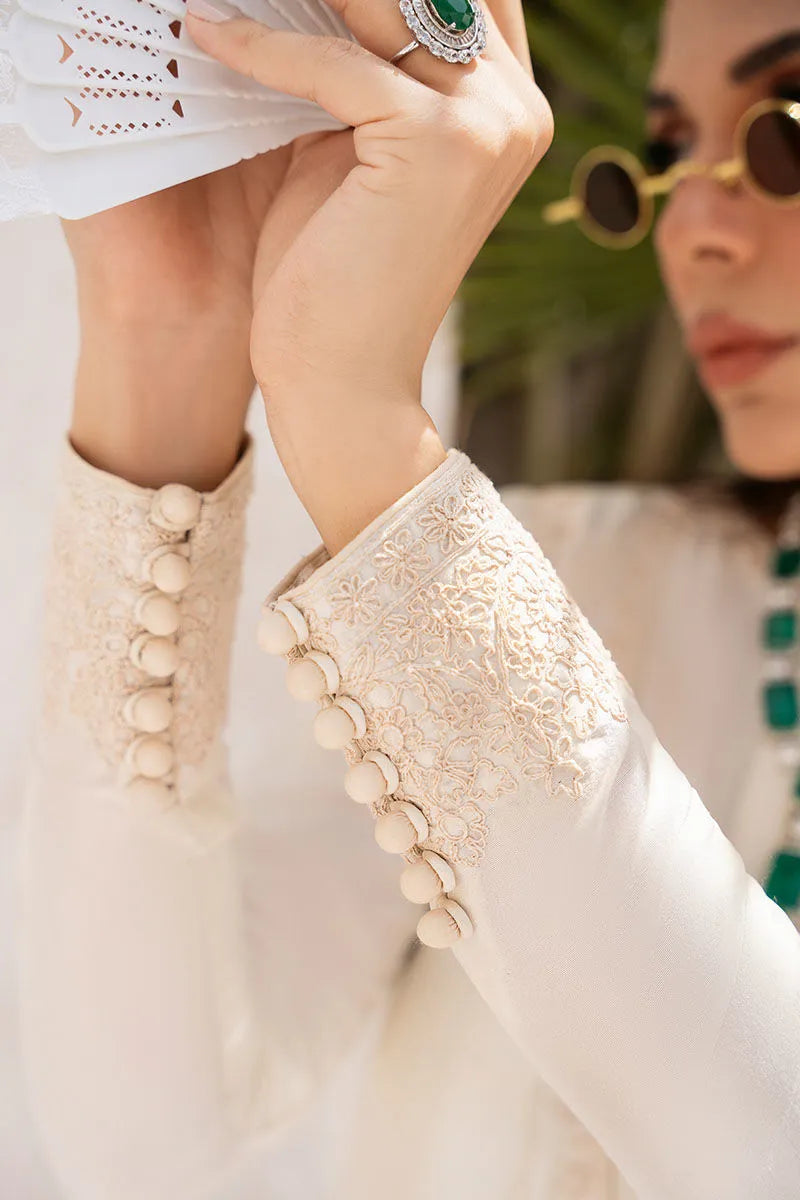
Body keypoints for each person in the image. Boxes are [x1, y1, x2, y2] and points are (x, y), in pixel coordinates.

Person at [15, 0, 800, 1197]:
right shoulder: (574, 583)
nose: (692, 225)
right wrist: (165, 329)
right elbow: (144, 1142)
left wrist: (359, 424)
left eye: (781, 134)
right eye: (667, 154)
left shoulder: (462, 587)